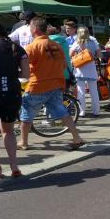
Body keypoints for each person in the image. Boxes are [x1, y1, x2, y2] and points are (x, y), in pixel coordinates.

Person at [19, 17, 85, 150]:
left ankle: (23, 142)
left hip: (37, 85)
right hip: (55, 84)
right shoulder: (57, 46)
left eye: (30, 27)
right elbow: (63, 65)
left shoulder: (32, 47)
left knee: (26, 114)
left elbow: (24, 67)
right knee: (62, 112)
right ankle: (77, 138)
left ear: (35, 29)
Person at [0, 23, 27, 178]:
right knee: (8, 131)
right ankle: (14, 166)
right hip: (11, 92)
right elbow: (26, 74)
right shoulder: (16, 48)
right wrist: (11, 73)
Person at [70, 27, 101, 118]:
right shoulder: (93, 42)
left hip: (80, 71)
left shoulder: (77, 43)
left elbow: (70, 54)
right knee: (94, 92)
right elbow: (99, 54)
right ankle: (96, 111)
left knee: (81, 92)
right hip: (91, 70)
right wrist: (93, 56)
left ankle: (82, 112)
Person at [47, 25, 73, 93]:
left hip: (54, 75)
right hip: (67, 72)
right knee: (65, 94)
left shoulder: (47, 43)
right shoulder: (65, 41)